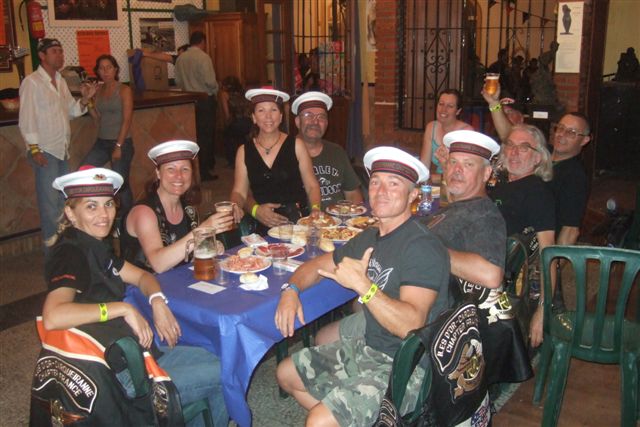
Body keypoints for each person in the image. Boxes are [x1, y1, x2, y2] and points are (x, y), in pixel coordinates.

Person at [274, 147, 451, 426]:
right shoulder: (370, 237)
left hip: (409, 366)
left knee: (318, 421)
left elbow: (411, 325)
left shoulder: (421, 247)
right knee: (285, 374)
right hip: (371, 347)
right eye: (376, 182)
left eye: (394, 184)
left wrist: (364, 287)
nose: (381, 191)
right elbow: (316, 266)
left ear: (413, 195)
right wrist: (290, 291)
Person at [42, 167, 228, 426]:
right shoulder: (70, 252)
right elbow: (53, 315)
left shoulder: (95, 246)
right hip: (116, 376)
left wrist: (157, 301)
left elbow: (142, 276)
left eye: (108, 204)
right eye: (91, 207)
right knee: (225, 373)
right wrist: (123, 308)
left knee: (222, 361)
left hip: (138, 355)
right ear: (71, 213)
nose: (104, 215)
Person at [19, 38, 97, 251]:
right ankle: (52, 256)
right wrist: (34, 149)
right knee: (49, 207)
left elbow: (71, 111)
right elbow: (26, 118)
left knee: (63, 204)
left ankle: (63, 252)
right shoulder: (32, 82)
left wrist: (85, 99)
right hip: (44, 150)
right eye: (54, 51)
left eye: (61, 51)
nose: (60, 55)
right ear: (42, 55)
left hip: (61, 150)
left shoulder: (61, 81)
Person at [488, 124, 556, 348]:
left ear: (538, 158)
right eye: (510, 145)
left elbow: (548, 254)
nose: (514, 152)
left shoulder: (537, 192)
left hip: (497, 279)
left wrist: (542, 312)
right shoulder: (500, 183)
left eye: (524, 147)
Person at [121, 140, 233, 273]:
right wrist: (203, 230)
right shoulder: (144, 213)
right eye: (171, 169)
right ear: (158, 173)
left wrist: (208, 245)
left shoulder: (189, 211)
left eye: (185, 169)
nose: (179, 176)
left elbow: (186, 254)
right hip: (146, 285)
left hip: (180, 281)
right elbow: (158, 264)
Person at [229, 87, 321, 233]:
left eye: (273, 110)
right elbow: (239, 192)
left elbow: (312, 186)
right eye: (261, 111)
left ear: (281, 116)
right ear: (253, 117)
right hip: (261, 222)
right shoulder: (243, 151)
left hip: (296, 221)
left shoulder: (297, 145)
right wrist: (249, 209)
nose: (268, 116)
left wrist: (315, 209)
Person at [80, 55, 134, 221]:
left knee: (120, 185)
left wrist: (118, 146)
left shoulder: (124, 90)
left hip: (121, 142)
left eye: (109, 67)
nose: (105, 71)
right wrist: (88, 99)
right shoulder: (99, 90)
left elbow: (127, 119)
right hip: (102, 142)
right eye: (101, 68)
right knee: (84, 170)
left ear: (115, 69)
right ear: (97, 71)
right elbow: (97, 118)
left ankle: (128, 221)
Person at [291, 91, 363, 209]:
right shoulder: (285, 152)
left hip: (338, 219)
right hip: (300, 219)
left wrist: (354, 217)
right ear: (298, 121)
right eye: (308, 115)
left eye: (321, 117)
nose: (315, 122)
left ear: (327, 123)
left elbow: (353, 194)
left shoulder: (337, 152)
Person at [175, 31, 219, 181]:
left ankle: (193, 170)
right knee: (205, 137)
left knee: (193, 136)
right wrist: (216, 90)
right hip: (205, 100)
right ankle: (204, 170)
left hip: (188, 101)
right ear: (202, 42)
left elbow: (178, 81)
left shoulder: (181, 58)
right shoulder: (203, 57)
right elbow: (210, 82)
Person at [419, 89, 473, 184]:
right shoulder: (431, 128)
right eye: (441, 104)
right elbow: (423, 167)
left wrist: (437, 178)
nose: (443, 110)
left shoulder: (466, 132)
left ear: (458, 111)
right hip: (438, 182)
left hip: (458, 183)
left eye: (450, 106)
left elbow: (467, 173)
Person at [219, 76, 252, 167]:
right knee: (241, 138)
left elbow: (227, 114)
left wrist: (226, 124)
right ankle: (244, 159)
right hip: (248, 122)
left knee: (227, 135)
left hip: (236, 122)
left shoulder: (224, 94)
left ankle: (232, 161)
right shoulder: (244, 92)